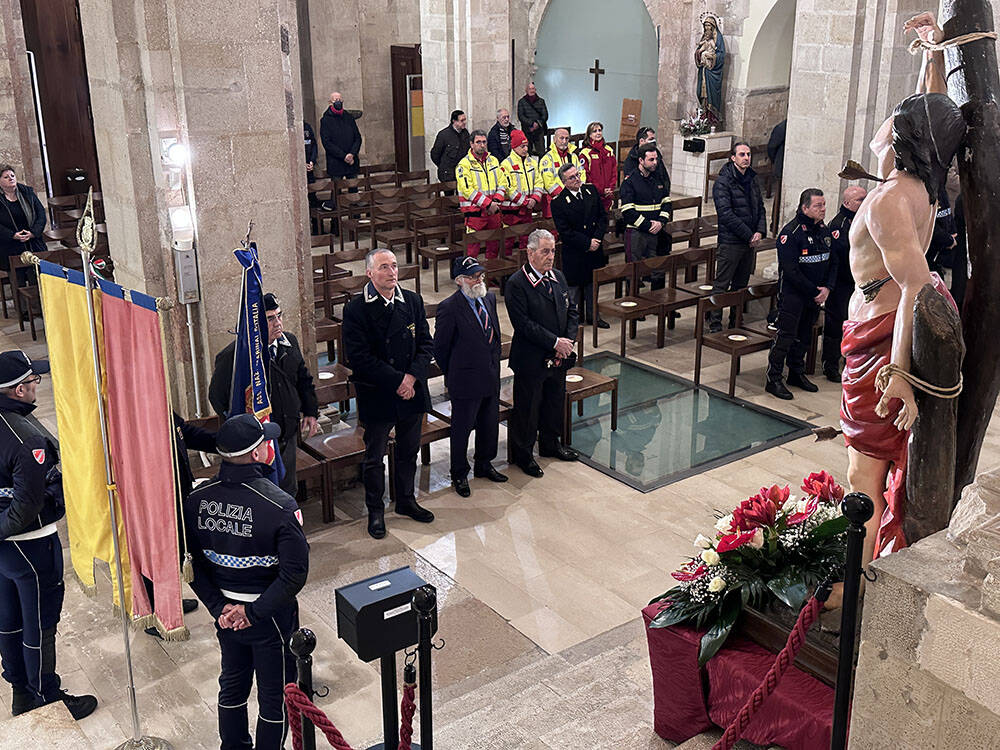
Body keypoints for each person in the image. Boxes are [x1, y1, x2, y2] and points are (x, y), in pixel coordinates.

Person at [841, 11, 965, 567]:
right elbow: (927, 116)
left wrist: (900, 380)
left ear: (907, 139)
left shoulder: (892, 199)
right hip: (876, 324)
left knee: (863, 472)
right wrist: (931, 54)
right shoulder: (919, 183)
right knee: (868, 467)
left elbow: (914, 287)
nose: (887, 128)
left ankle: (850, 588)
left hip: (881, 339)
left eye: (897, 123)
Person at [185, 413, 309, 750]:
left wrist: (219, 607)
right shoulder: (279, 505)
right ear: (257, 453)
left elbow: (192, 565)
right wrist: (251, 613)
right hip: (268, 616)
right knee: (275, 695)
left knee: (233, 685)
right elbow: (294, 573)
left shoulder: (196, 501)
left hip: (224, 614)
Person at [0, 350, 97, 720]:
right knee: (40, 622)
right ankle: (47, 695)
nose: (37, 386)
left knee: (8, 620)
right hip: (31, 544)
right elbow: (27, 506)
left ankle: (20, 693)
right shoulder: (25, 438)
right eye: (33, 380)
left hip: (6, 551)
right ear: (17, 389)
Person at [342, 249, 436, 539]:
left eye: (394, 266)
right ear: (369, 273)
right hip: (379, 393)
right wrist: (398, 380)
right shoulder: (356, 309)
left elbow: (426, 345)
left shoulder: (413, 301)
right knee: (374, 456)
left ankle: (406, 500)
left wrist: (411, 378)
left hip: (411, 392)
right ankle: (376, 510)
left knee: (409, 450)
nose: (392, 272)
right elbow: (359, 358)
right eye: (384, 267)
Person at [208, 293, 320, 497]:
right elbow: (216, 397)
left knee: (286, 492)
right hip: (256, 444)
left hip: (286, 434)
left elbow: (303, 379)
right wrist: (241, 431)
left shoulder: (290, 342)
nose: (278, 323)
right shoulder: (234, 356)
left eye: (280, 316)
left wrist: (311, 411)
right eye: (270, 318)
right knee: (262, 496)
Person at [505, 229, 580, 476]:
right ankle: (523, 455)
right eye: (545, 251)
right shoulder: (517, 283)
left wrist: (567, 341)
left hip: (558, 356)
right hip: (531, 358)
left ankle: (550, 444)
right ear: (530, 252)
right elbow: (524, 324)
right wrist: (554, 342)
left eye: (553, 251)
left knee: (553, 402)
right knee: (528, 408)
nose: (550, 256)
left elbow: (572, 310)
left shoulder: (557, 276)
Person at [433, 257, 508, 497]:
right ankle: (459, 473)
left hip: (490, 374)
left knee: (488, 423)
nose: (479, 280)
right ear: (460, 280)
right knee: (462, 428)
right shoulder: (449, 307)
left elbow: (494, 334)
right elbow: (441, 348)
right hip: (464, 380)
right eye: (473, 276)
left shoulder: (489, 298)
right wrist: (454, 374)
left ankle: (484, 464)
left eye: (480, 275)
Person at [765, 189, 838, 400]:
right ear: (805, 207)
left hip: (815, 295)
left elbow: (833, 262)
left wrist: (828, 288)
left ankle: (796, 372)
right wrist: (814, 291)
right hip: (794, 295)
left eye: (824, 205)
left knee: (805, 336)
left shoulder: (824, 230)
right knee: (786, 336)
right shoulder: (791, 233)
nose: (823, 209)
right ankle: (774, 378)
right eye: (818, 206)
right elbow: (791, 271)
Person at [708, 141, 767, 332]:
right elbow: (726, 214)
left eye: (748, 154)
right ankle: (715, 323)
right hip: (731, 242)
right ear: (733, 158)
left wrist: (760, 231)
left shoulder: (752, 179)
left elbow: (760, 208)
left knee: (741, 285)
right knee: (722, 284)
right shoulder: (723, 182)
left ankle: (735, 320)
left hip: (748, 242)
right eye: (742, 154)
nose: (746, 158)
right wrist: (749, 234)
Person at [551, 163, 609, 328]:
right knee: (574, 290)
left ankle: (593, 315)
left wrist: (597, 239)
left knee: (593, 284)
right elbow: (565, 231)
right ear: (564, 182)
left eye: (577, 175)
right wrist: (587, 243)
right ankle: (572, 321)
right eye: (572, 177)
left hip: (595, 248)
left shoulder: (591, 191)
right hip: (576, 251)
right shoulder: (559, 202)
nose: (577, 179)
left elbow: (602, 218)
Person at [823, 186, 866, 382]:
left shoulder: (861, 219)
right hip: (841, 283)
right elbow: (846, 254)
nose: (864, 202)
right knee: (835, 324)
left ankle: (849, 360)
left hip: (857, 283)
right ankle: (830, 364)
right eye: (859, 200)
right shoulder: (838, 226)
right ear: (847, 203)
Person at [619, 144, 672, 285]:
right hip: (637, 232)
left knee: (658, 271)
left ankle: (659, 303)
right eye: (651, 160)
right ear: (641, 161)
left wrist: (661, 222)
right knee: (634, 272)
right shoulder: (630, 182)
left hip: (657, 231)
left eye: (656, 159)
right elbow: (628, 211)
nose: (655, 162)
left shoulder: (658, 179)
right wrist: (648, 225)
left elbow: (666, 203)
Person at [456, 129, 505, 259]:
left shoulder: (493, 160)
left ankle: (491, 277)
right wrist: (488, 204)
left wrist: (496, 201)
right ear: (471, 144)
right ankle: (471, 278)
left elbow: (503, 182)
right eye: (478, 142)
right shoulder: (463, 165)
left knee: (494, 247)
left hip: (493, 212)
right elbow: (468, 190)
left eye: (484, 142)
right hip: (475, 214)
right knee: (472, 251)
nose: (482, 145)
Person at [498, 129, 543, 251]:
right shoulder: (506, 164)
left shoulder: (532, 162)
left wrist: (534, 198)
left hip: (527, 209)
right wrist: (524, 201)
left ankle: (525, 265)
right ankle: (507, 267)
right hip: (511, 210)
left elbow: (539, 181)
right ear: (514, 147)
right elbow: (507, 188)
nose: (525, 149)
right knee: (508, 242)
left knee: (527, 240)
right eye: (522, 146)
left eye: (526, 146)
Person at [0, 165, 47, 279]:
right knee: (19, 281)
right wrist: (12, 235)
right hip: (9, 246)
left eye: (12, 175)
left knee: (37, 278)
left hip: (33, 243)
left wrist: (33, 233)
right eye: (6, 177)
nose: (11, 178)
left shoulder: (27, 193)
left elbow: (41, 215)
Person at [539, 128, 586, 219]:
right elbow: (549, 183)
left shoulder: (573, 157)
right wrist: (566, 195)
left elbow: (582, 174)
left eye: (567, 138)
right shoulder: (547, 159)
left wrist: (577, 191)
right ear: (554, 139)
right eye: (561, 138)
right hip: (554, 201)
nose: (564, 141)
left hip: (573, 200)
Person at [319, 92, 362, 180]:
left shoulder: (349, 117)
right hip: (336, 164)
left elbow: (357, 138)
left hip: (351, 162)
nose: (338, 102)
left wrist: (352, 154)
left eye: (340, 100)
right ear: (330, 102)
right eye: (335, 100)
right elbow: (327, 143)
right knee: (336, 191)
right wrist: (343, 156)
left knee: (353, 190)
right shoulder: (325, 120)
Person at [579, 121, 618, 214]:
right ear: (589, 135)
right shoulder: (585, 153)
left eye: (599, 130)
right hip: (593, 195)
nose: (598, 133)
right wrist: (601, 190)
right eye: (594, 131)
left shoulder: (609, 150)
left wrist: (610, 188)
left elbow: (614, 171)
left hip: (608, 194)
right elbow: (586, 176)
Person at [695, 13, 726, 122]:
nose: (707, 28)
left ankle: (712, 118)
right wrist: (698, 53)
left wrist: (712, 57)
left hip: (712, 72)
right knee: (702, 92)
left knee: (711, 94)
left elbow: (721, 55)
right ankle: (703, 114)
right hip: (704, 71)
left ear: (713, 26)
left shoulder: (718, 38)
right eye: (705, 26)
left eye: (709, 25)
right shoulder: (705, 37)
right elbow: (699, 50)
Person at [430, 110, 470, 183]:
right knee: (449, 193)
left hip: (462, 172)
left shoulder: (465, 133)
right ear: (454, 121)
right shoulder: (444, 135)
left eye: (465, 120)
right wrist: (443, 165)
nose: (464, 122)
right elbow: (435, 154)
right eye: (462, 120)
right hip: (448, 174)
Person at [516, 82, 548, 157]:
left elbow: (545, 115)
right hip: (527, 131)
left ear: (535, 90)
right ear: (526, 90)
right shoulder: (521, 102)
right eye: (530, 89)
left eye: (533, 88)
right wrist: (531, 124)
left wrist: (537, 124)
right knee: (527, 152)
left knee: (541, 153)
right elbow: (521, 116)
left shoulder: (541, 101)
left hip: (539, 131)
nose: (531, 90)